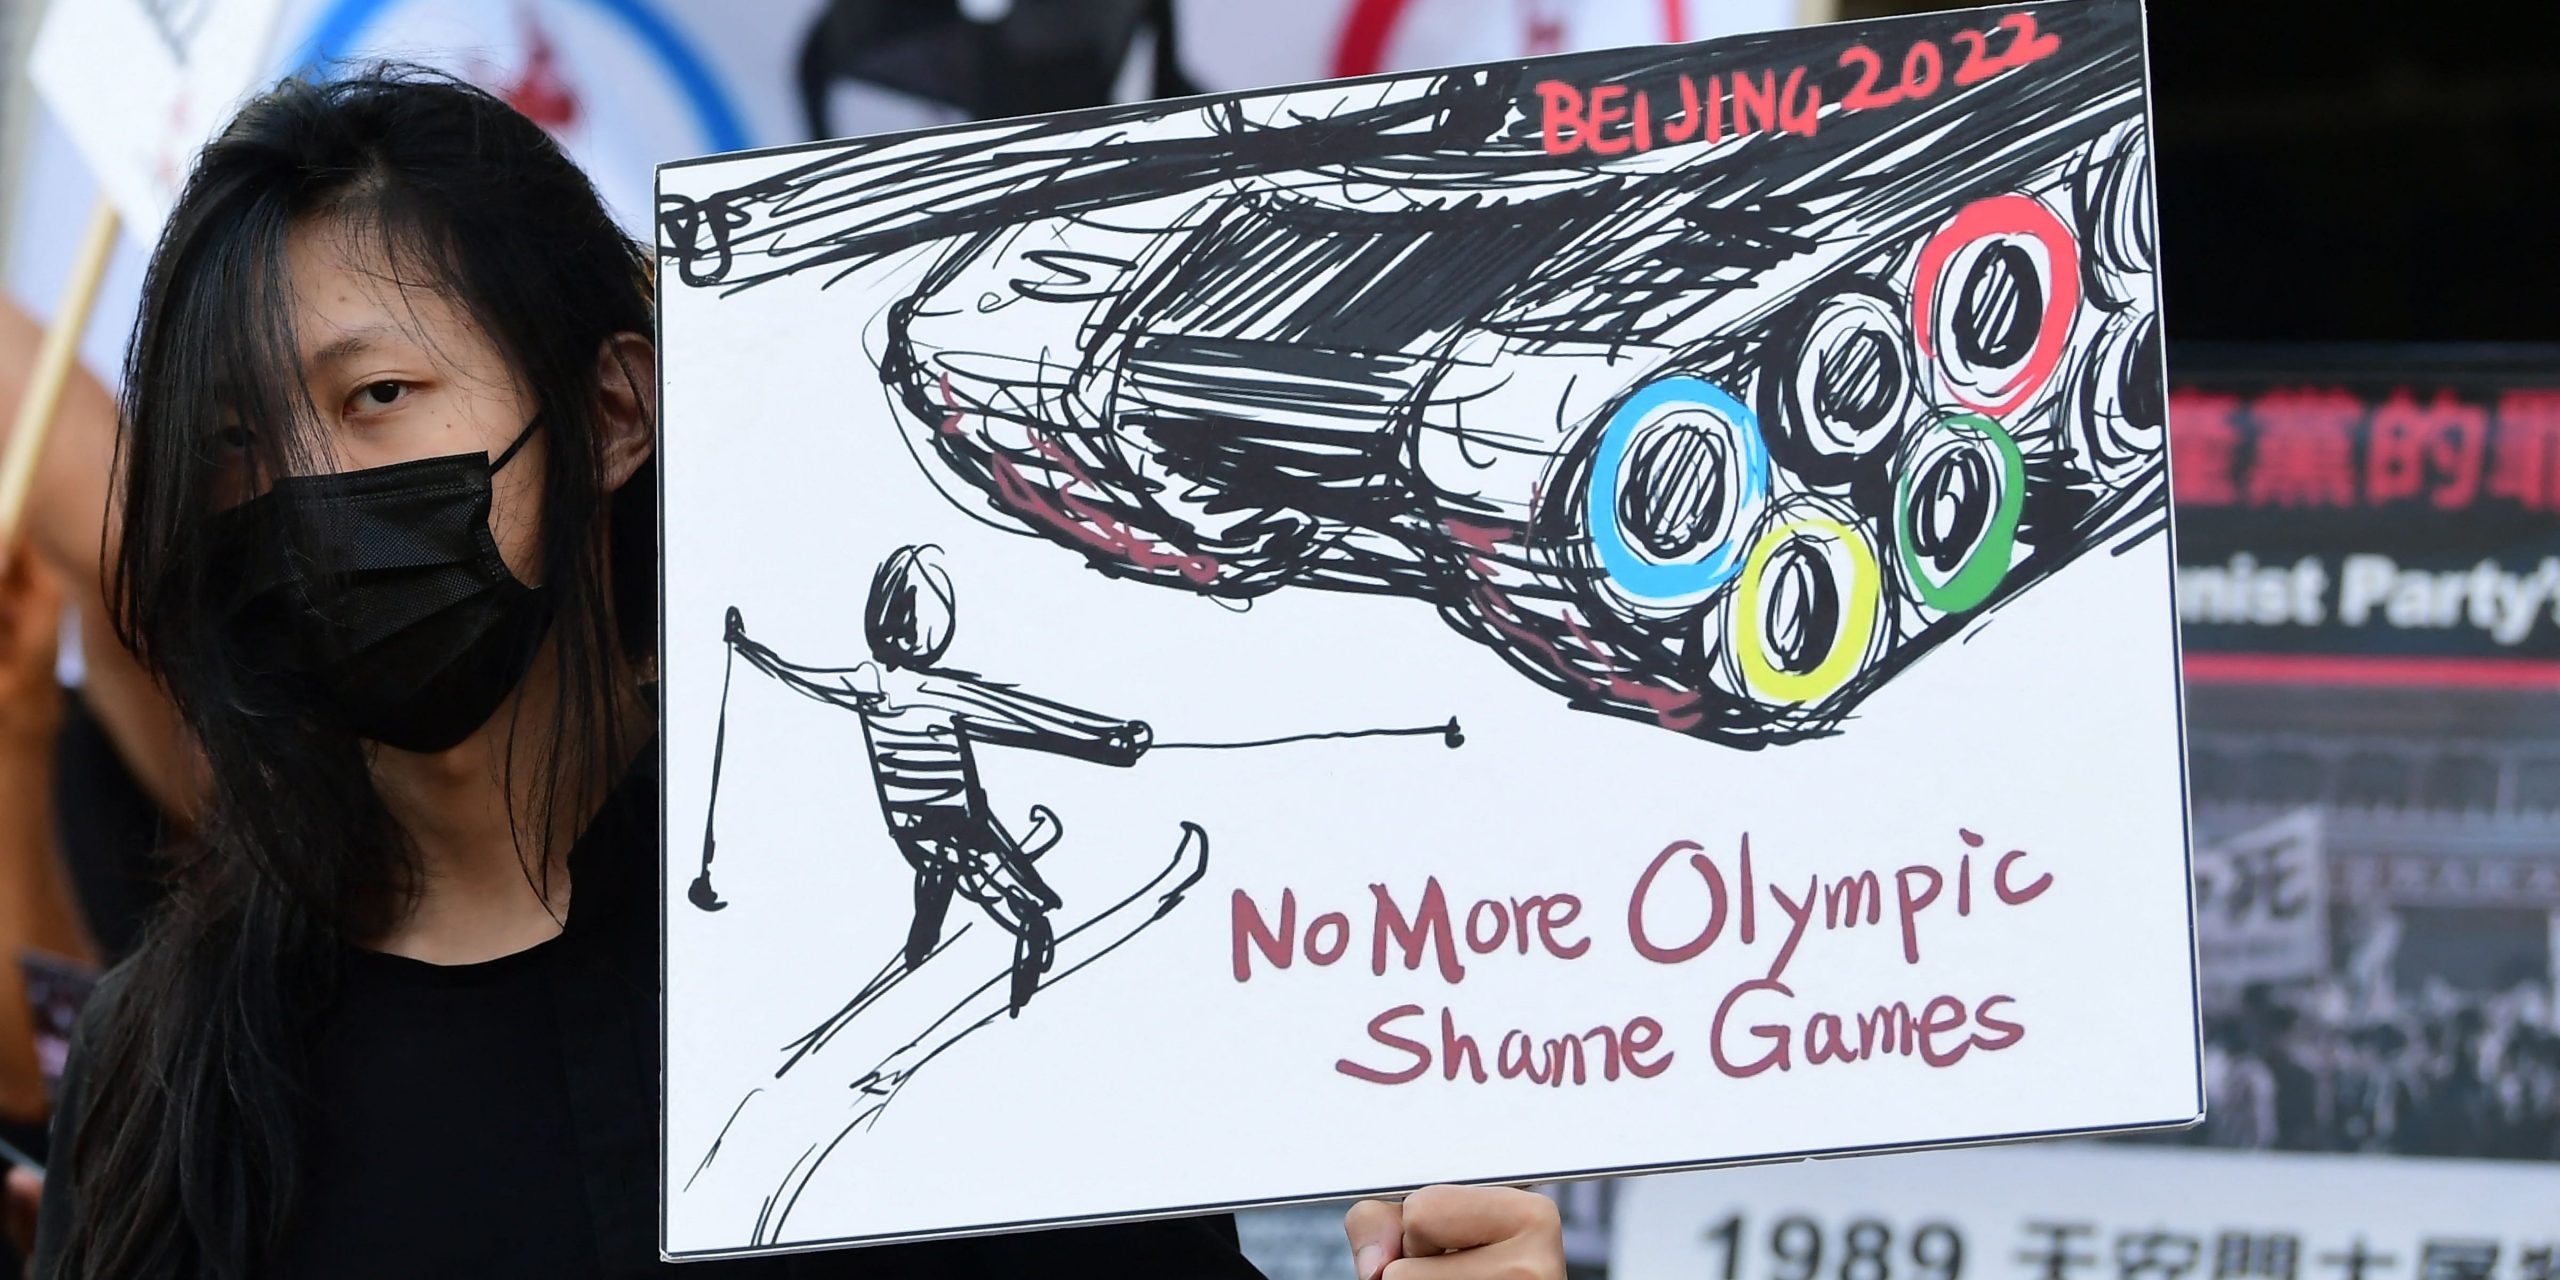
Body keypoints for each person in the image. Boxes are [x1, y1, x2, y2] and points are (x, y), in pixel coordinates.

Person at [23, 69, 1564, 1280]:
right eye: (237, 449)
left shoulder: (957, 1024)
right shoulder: (174, 1080)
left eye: (377, 397)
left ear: (613, 411)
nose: (305, 493)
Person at [722, 546, 1151, 1011]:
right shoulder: (941, 690)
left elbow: (797, 675)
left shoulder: (864, 683)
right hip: (961, 824)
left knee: (936, 865)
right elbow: (1029, 720)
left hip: (908, 827)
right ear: (934, 629)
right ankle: (1026, 924)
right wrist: (1109, 740)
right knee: (1005, 885)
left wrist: (746, 646)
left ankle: (925, 933)